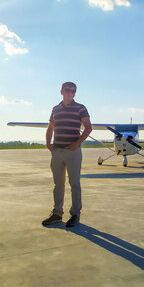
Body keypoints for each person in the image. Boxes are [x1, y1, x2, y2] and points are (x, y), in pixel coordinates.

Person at [42, 82, 92, 228]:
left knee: (74, 183)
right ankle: (57, 214)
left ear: (75, 93)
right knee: (58, 184)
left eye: (73, 91)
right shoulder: (55, 109)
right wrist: (48, 143)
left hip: (73, 152)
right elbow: (50, 128)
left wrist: (77, 143)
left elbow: (88, 128)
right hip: (57, 151)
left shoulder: (80, 108)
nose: (70, 93)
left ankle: (75, 214)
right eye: (67, 90)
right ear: (61, 91)